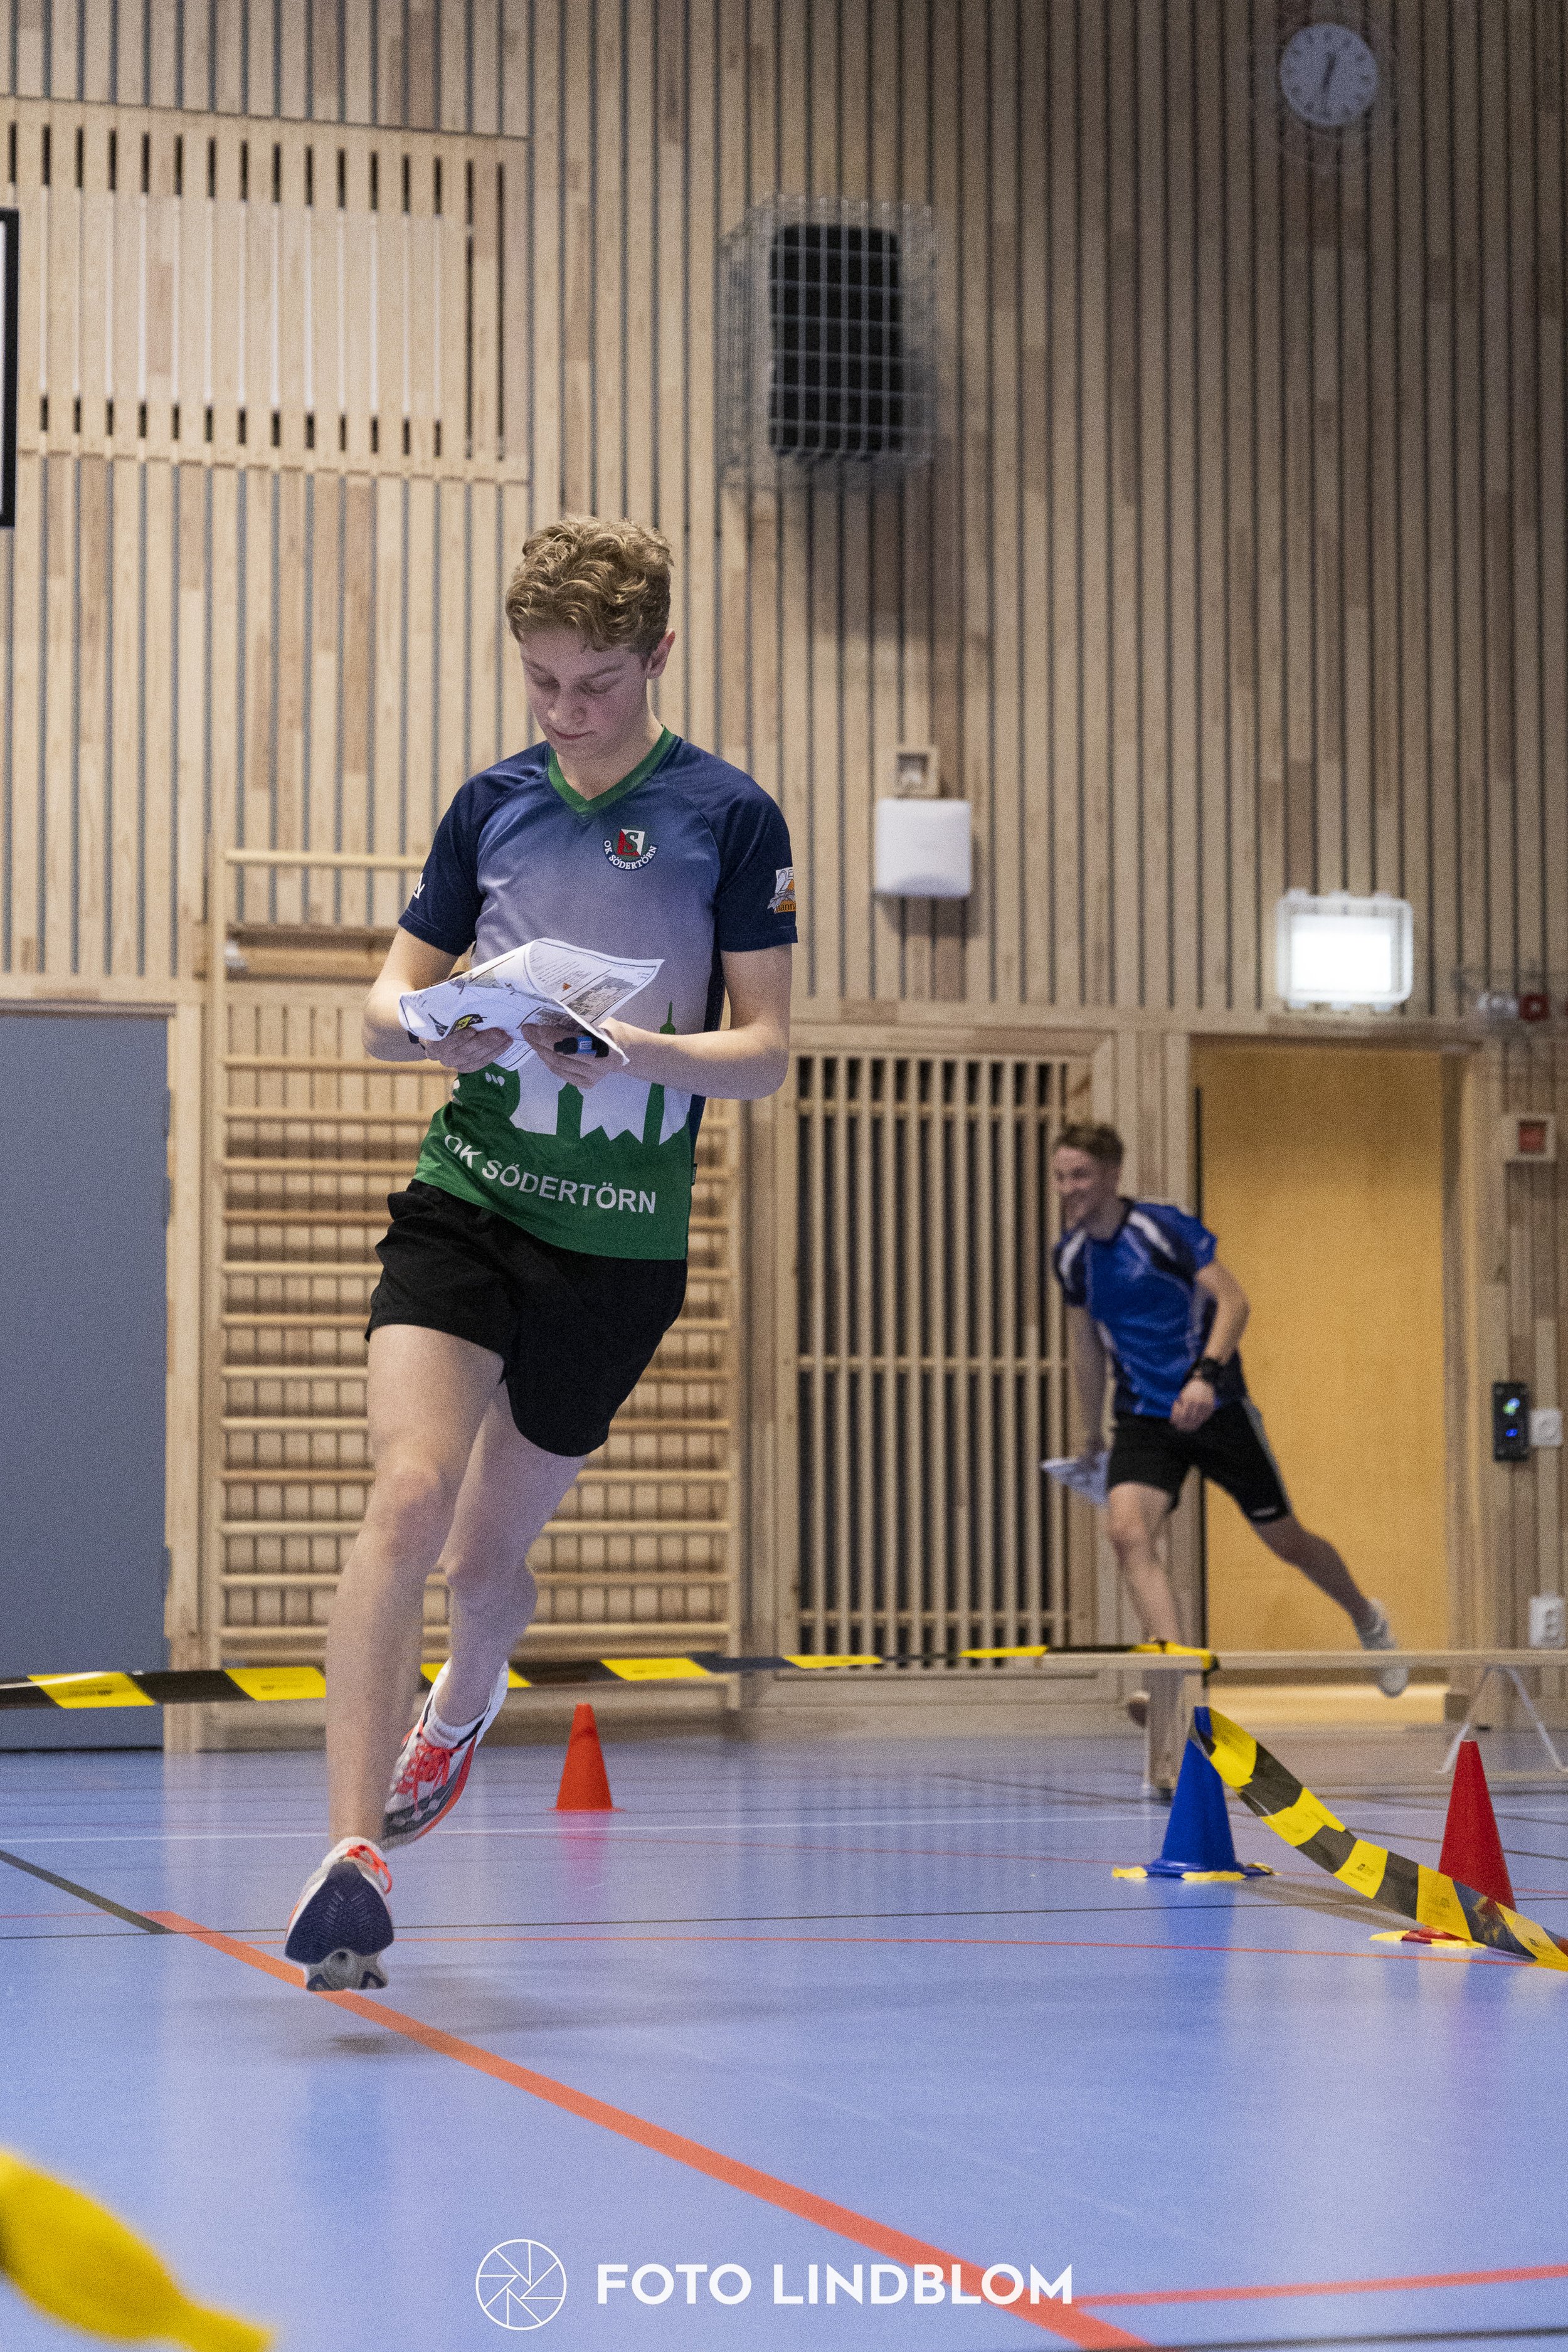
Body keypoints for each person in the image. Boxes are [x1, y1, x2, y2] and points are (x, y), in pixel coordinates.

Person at [283, 516, 797, 1989]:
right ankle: (350, 1856)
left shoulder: (728, 816)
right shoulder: (488, 806)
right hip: (470, 1197)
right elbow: (383, 1010)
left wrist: (629, 1044)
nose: (566, 711)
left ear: (659, 658)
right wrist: (462, 1014)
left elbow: (762, 1056)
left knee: (485, 1555)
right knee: (406, 1490)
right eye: (541, 681)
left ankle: (460, 1707)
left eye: (595, 682)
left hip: (618, 1246)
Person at [1051, 1122, 1406, 1775]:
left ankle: (1365, 1615)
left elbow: (1233, 1302)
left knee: (1287, 1541)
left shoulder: (1161, 1231)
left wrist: (1204, 1378)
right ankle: (1178, 1681)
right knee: (1127, 1533)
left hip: (1215, 1408)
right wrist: (1088, 1431)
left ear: (1109, 1175)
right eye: (1061, 1176)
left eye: (1080, 1175)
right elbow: (1085, 1344)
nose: (1069, 1189)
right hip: (1142, 1417)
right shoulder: (1071, 1258)